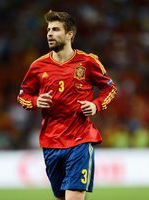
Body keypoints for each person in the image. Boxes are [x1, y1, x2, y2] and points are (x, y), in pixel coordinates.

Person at [17, 10, 117, 200]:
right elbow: (23, 95)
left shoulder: (88, 62)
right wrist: (35, 101)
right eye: (48, 30)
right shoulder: (38, 66)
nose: (49, 34)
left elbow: (110, 89)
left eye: (55, 29)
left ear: (70, 34)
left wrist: (96, 105)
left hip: (80, 140)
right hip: (50, 142)